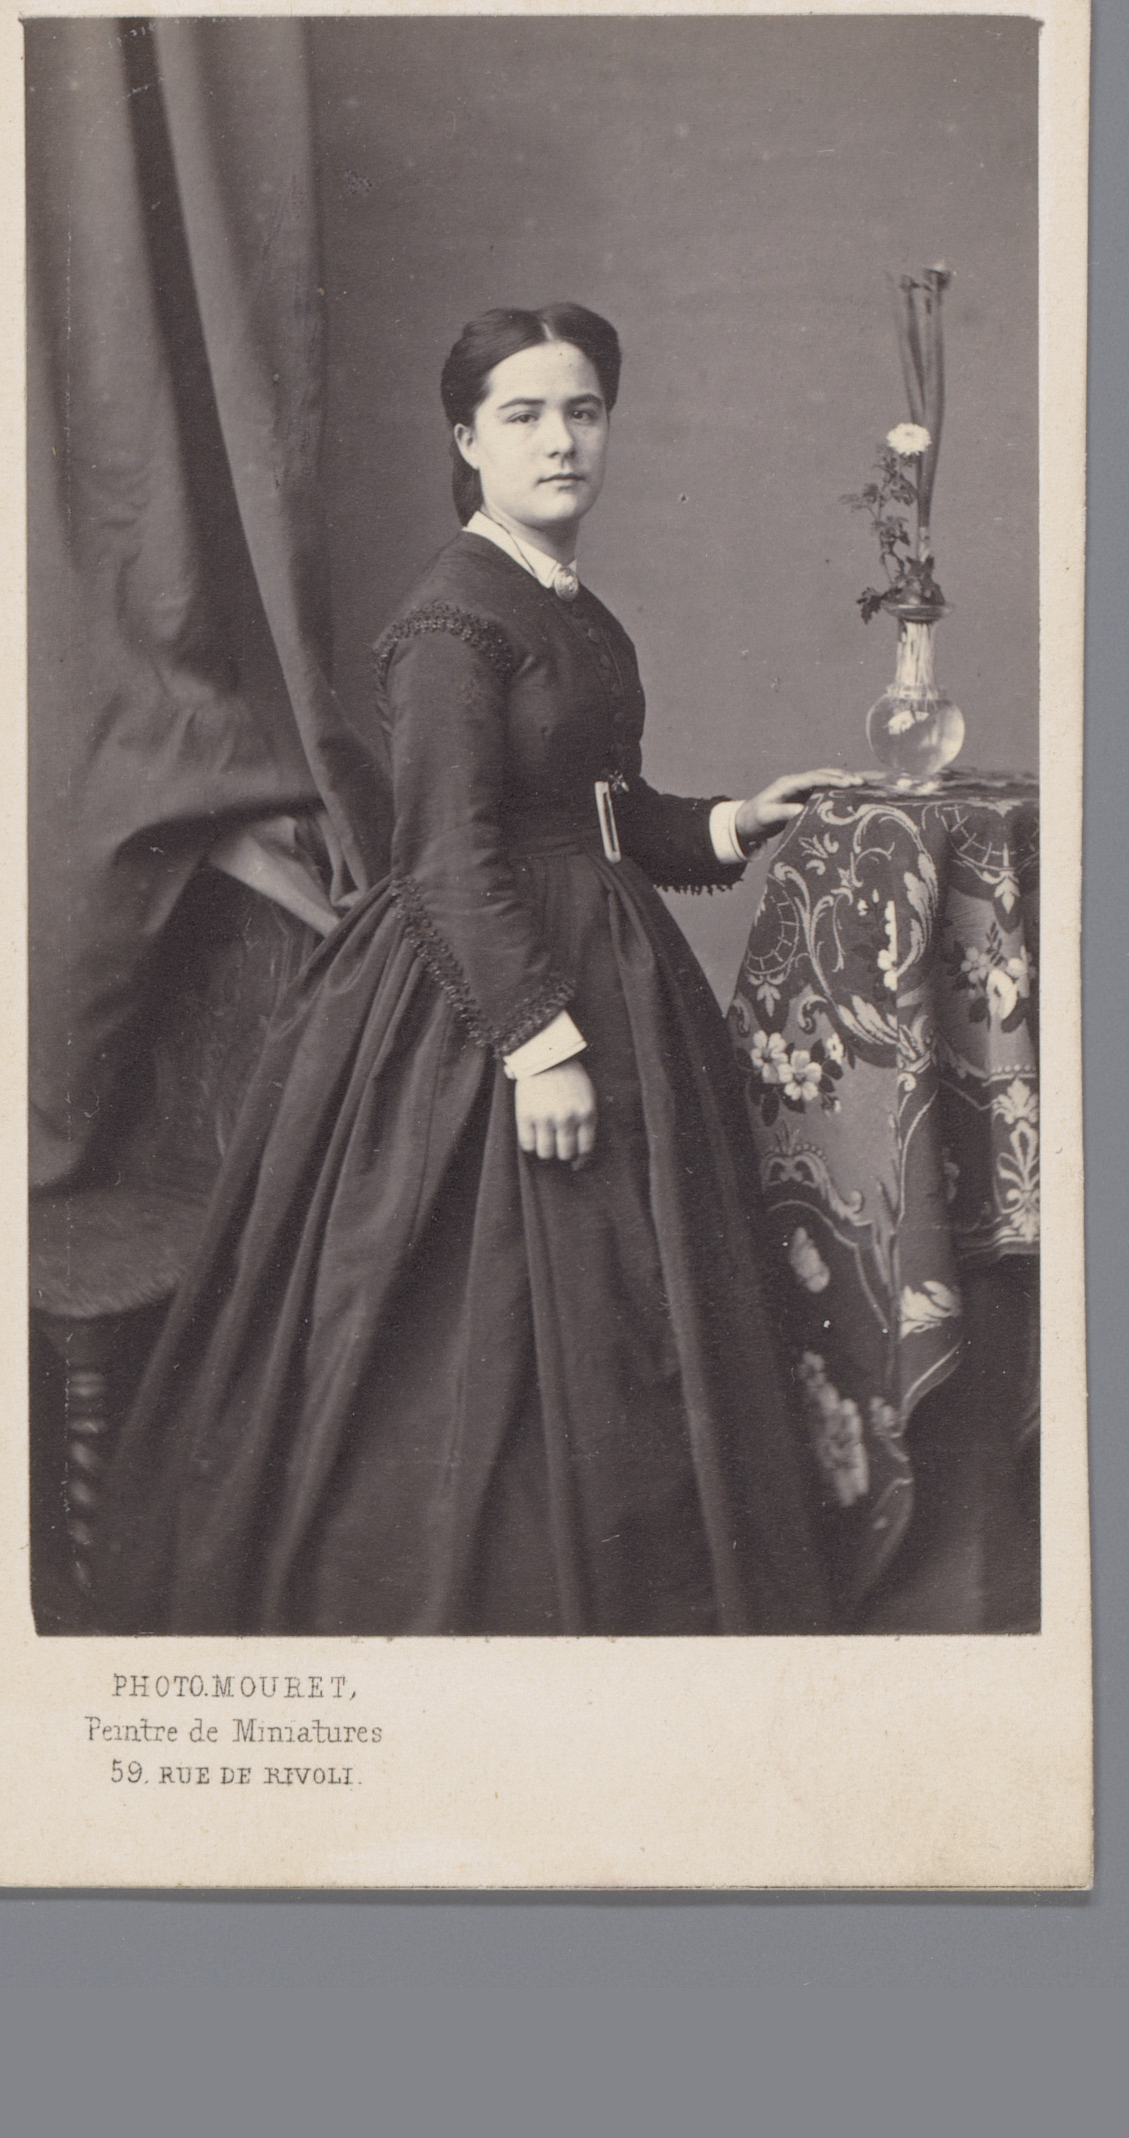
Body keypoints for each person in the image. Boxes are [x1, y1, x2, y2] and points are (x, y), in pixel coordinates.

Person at [99, 303, 853, 1637]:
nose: (562, 441)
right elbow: (448, 855)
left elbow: (602, 810)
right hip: (487, 995)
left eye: (584, 411)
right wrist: (538, 1044)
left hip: (599, 961)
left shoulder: (571, 605)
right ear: (468, 439)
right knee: (476, 1334)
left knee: (635, 1313)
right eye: (525, 414)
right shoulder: (453, 619)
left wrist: (735, 821)